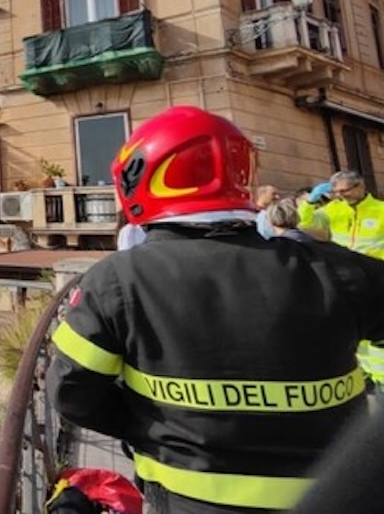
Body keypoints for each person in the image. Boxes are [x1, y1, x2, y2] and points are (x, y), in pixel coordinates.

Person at [48, 105, 384, 513]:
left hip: (188, 499)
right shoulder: (332, 267)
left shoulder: (118, 279)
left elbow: (70, 392)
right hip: (338, 492)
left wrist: (148, 425)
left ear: (138, 183)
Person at [321, 169, 384, 401]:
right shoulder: (331, 210)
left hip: (378, 283)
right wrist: (310, 203)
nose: (340, 196)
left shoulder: (381, 211)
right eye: (336, 192)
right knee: (352, 336)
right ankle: (364, 381)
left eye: (345, 191)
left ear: (360, 186)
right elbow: (302, 224)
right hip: (345, 283)